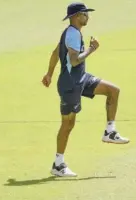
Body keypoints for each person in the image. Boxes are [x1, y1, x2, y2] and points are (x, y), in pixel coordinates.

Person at [42, 2, 129, 177]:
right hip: (70, 84)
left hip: (80, 79)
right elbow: (74, 61)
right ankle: (58, 165)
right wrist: (92, 49)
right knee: (68, 124)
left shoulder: (70, 33)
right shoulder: (72, 34)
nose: (87, 16)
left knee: (113, 90)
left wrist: (49, 74)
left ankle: (110, 131)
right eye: (84, 14)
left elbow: (55, 53)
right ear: (75, 16)